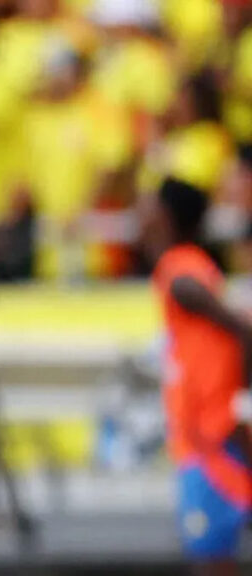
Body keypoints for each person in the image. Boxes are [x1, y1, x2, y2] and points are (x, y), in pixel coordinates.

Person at [140, 177, 252, 576]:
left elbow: (234, 323)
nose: (141, 214)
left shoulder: (179, 266)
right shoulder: (190, 264)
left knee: (211, 562)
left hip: (209, 439)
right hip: (207, 435)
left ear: (165, 216)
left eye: (150, 206)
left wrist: (243, 403)